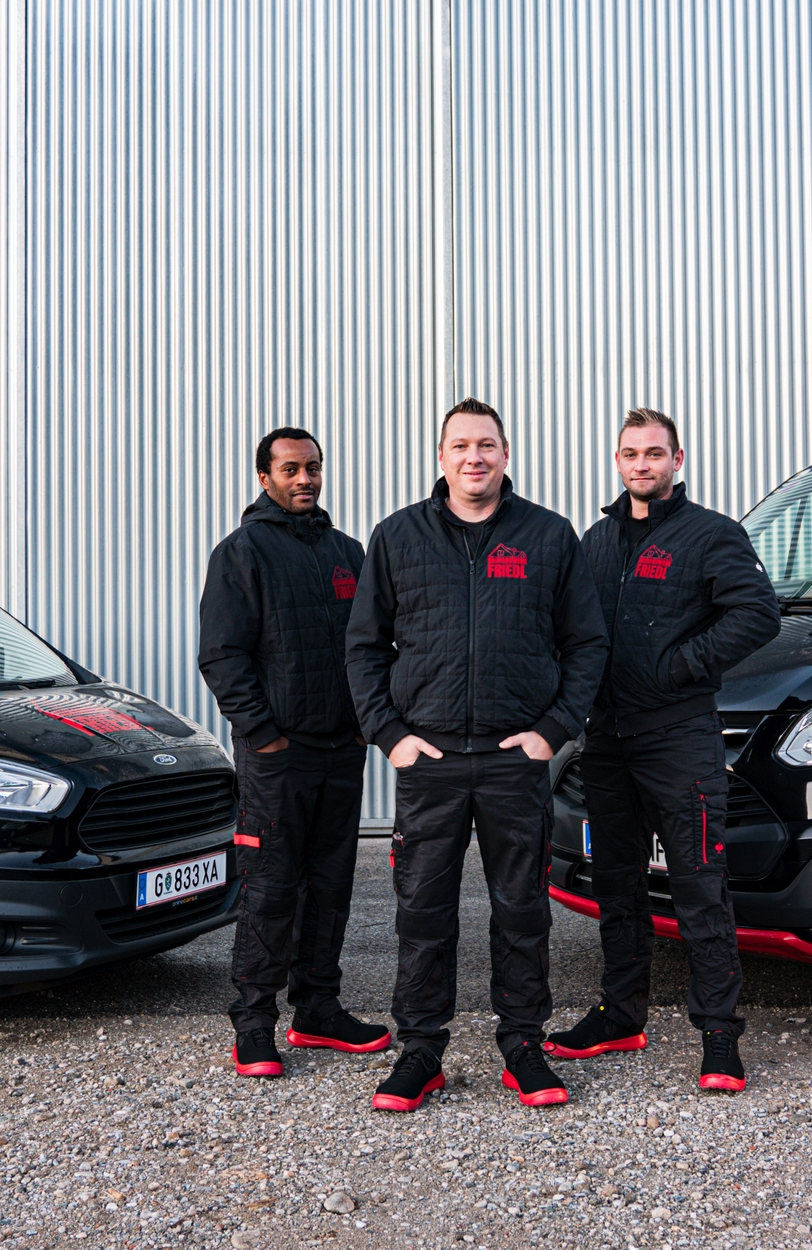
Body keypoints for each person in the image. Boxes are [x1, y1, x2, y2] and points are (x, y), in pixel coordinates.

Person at [346, 399, 608, 1112]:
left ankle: (522, 1046)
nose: (474, 457)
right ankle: (420, 1051)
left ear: (505, 453)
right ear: (441, 457)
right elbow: (364, 648)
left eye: (486, 445)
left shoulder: (548, 536)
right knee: (422, 912)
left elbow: (587, 643)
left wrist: (553, 730)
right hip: (428, 760)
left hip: (513, 759)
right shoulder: (398, 536)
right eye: (460, 445)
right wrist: (390, 735)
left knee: (521, 909)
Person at [545, 408, 780, 1091]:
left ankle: (719, 1034)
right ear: (617, 461)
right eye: (630, 453)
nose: (641, 464)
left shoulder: (712, 534)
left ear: (677, 460)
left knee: (698, 885)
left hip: (680, 737)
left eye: (654, 453)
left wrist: (679, 666)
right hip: (607, 741)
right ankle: (620, 1016)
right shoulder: (596, 540)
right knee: (617, 885)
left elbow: (758, 614)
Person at [199, 427, 390, 1079]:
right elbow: (222, 655)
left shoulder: (348, 553)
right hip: (277, 758)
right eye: (290, 469)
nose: (305, 478)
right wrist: (263, 733)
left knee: (332, 885)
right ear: (264, 478)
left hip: (341, 752)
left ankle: (318, 1011)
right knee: (271, 887)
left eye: (313, 467)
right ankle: (254, 1023)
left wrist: (365, 724)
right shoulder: (242, 553)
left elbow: (372, 647)